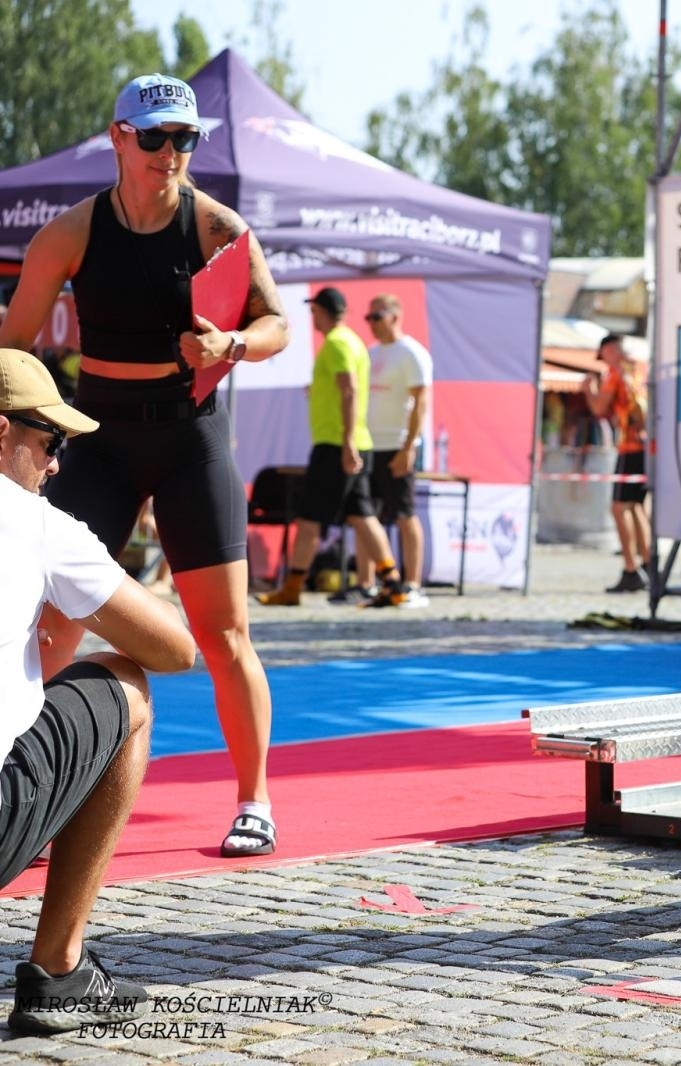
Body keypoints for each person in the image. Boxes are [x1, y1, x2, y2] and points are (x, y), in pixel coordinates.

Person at [0, 74, 291, 859]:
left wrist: (232, 345)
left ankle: (254, 799)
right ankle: (25, 790)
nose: (171, 154)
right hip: (99, 440)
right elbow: (14, 346)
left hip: (191, 437)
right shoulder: (68, 234)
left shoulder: (217, 226)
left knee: (224, 631)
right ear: (119, 137)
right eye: (156, 137)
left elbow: (276, 324)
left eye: (186, 139)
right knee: (54, 617)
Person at [0, 348, 196, 1035]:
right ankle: (59, 970)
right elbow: (175, 649)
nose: (56, 464)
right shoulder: (37, 522)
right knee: (129, 685)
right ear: (1, 433)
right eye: (50, 442)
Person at [257, 287, 411, 609]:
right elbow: (345, 388)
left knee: (310, 518)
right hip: (355, 442)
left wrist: (347, 443)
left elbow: (350, 390)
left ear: (322, 311)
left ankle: (292, 587)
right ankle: (394, 583)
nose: (312, 318)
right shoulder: (352, 341)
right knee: (362, 515)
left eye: (313, 312)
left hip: (336, 444)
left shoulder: (338, 344)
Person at [341, 294, 433, 607]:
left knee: (405, 514)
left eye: (376, 317)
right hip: (370, 443)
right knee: (367, 515)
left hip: (397, 443)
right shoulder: (371, 353)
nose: (371, 324)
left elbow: (421, 403)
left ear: (394, 315)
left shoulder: (412, 353)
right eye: (368, 318)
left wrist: (408, 447)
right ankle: (367, 583)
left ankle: (413, 584)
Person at [585, 334, 652, 592]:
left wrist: (589, 391)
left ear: (612, 349)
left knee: (619, 507)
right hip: (647, 445)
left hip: (629, 445)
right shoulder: (641, 367)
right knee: (636, 506)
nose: (604, 361)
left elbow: (599, 409)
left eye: (604, 355)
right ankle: (647, 564)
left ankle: (630, 568)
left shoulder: (614, 373)